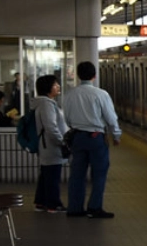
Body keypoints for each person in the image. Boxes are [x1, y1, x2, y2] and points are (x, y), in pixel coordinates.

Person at [61, 61, 122, 218]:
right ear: (94, 76)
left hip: (77, 137)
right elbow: (110, 117)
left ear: (78, 75)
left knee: (77, 174)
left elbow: (66, 118)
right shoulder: (101, 94)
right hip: (96, 138)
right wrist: (116, 135)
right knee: (99, 173)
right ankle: (94, 208)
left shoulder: (69, 95)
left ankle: (75, 208)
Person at [32, 75, 69, 213]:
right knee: (53, 175)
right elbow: (51, 127)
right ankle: (54, 205)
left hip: (46, 145)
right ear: (47, 88)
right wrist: (62, 141)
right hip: (51, 146)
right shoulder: (47, 104)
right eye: (55, 84)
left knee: (46, 175)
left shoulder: (44, 103)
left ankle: (41, 202)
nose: (58, 86)